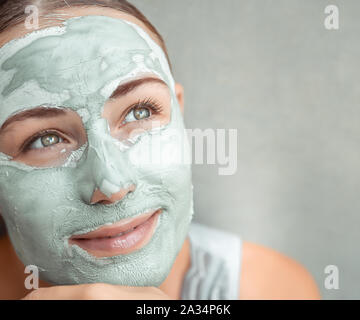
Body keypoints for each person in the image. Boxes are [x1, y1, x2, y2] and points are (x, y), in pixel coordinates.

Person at [0, 0, 321, 300]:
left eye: (140, 112)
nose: (113, 186)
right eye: (45, 139)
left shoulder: (271, 288)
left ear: (179, 114)